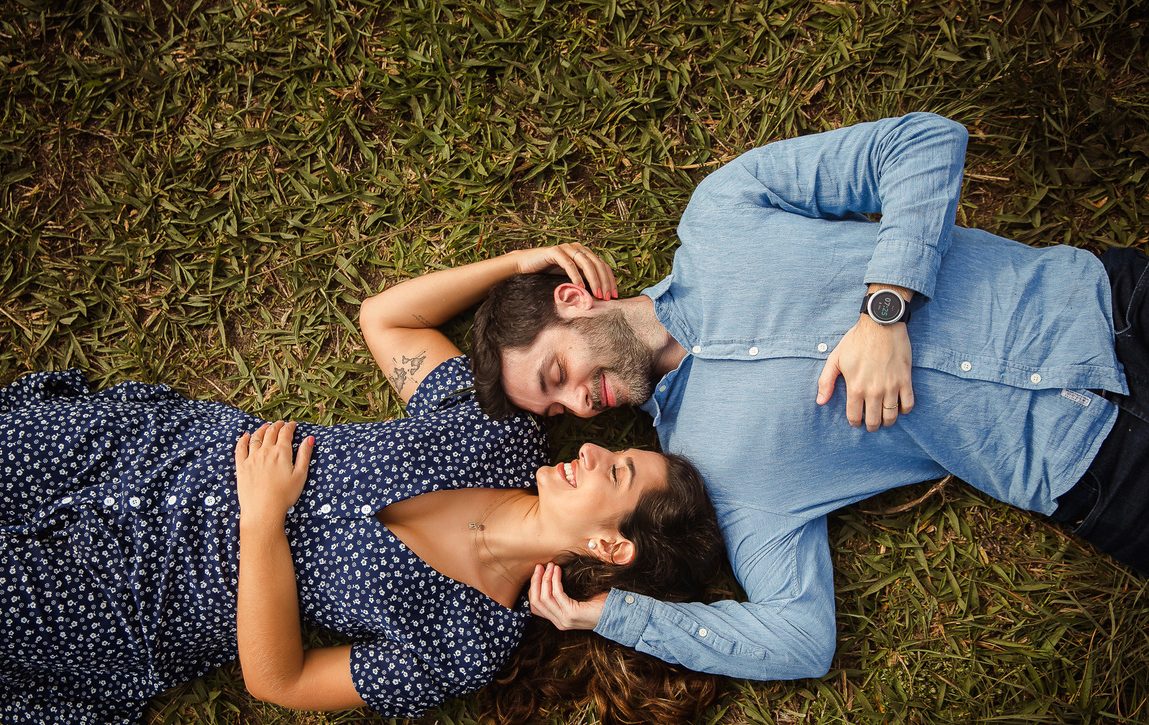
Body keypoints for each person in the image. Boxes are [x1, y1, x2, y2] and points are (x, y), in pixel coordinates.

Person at [461, 112, 1149, 681]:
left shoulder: (722, 212)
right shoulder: (706, 475)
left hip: (1102, 306)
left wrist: (886, 310)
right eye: (557, 410)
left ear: (574, 300)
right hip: (1092, 472)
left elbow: (924, 141)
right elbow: (799, 639)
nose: (582, 405)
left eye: (558, 375)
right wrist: (608, 613)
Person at [0, 261, 725, 725]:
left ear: (610, 545)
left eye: (617, 468)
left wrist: (262, 526)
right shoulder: (495, 436)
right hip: (140, 448)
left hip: (137, 595)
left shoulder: (468, 640)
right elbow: (386, 318)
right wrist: (521, 264)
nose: (590, 447)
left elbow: (281, 682)